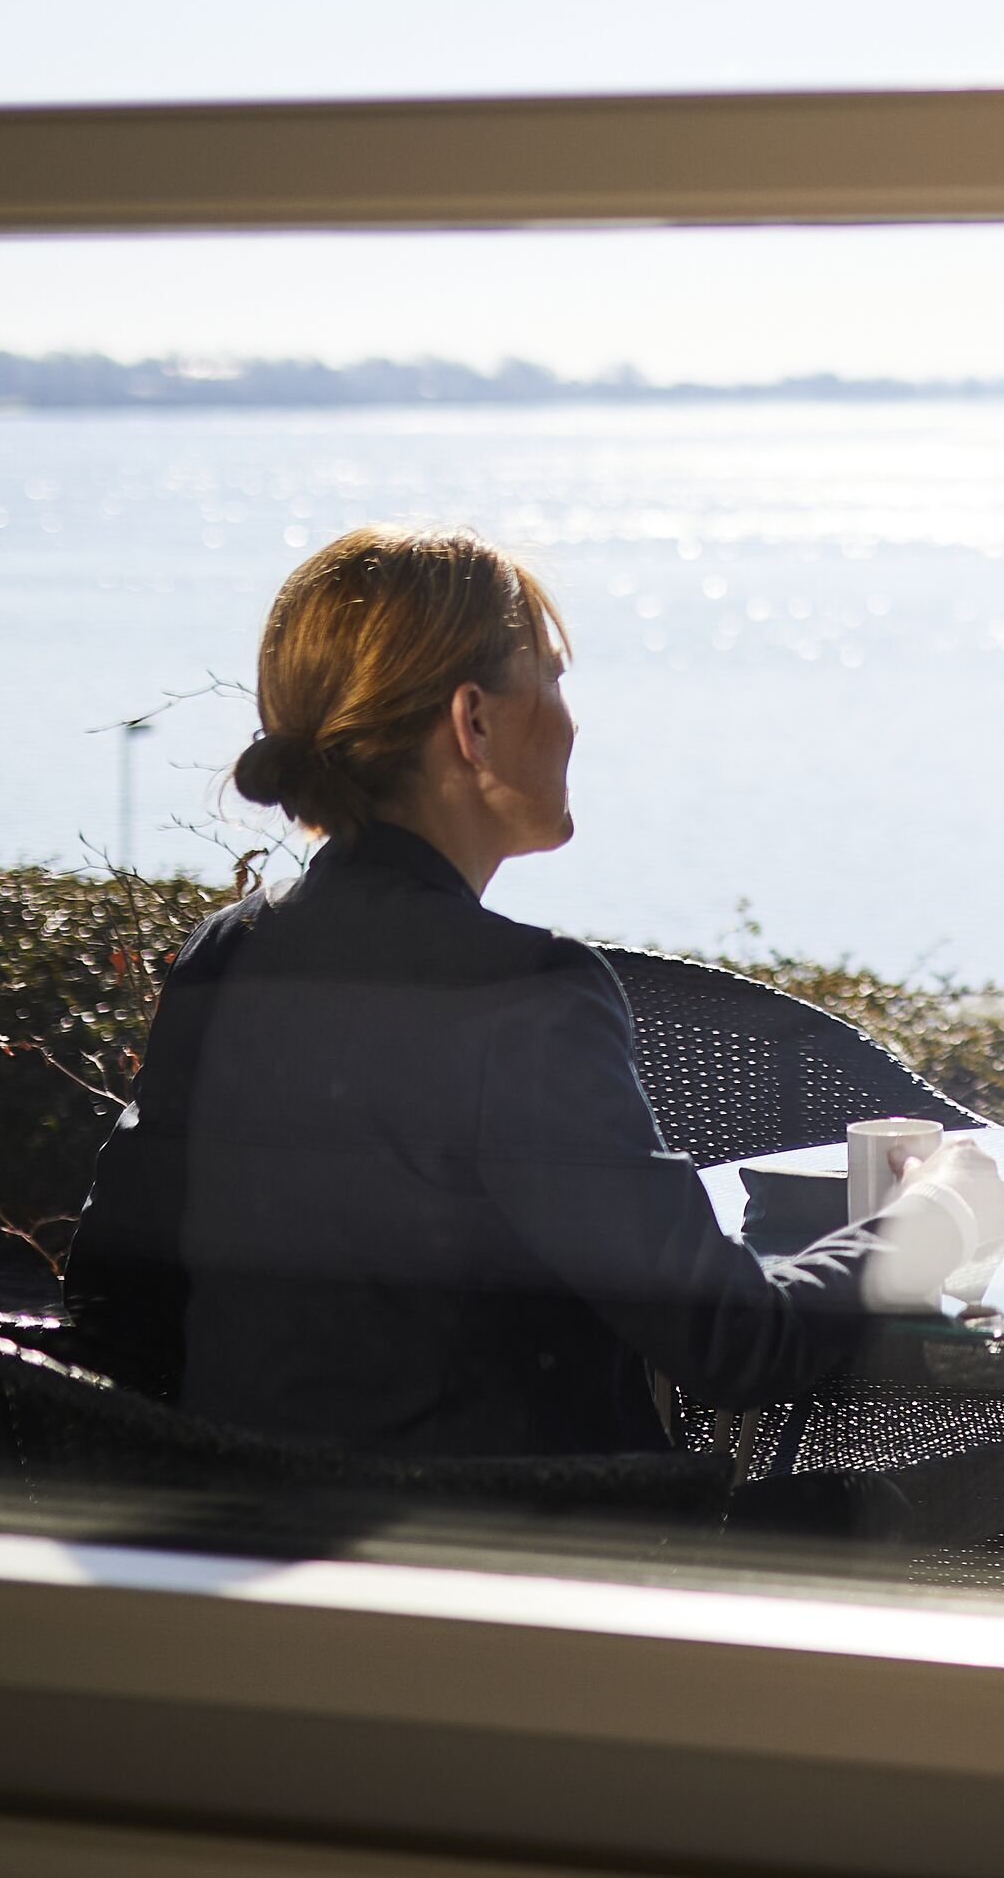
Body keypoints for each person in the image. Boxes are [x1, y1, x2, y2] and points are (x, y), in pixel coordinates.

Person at [64, 527, 867, 1460]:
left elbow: (113, 1296)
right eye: (554, 680)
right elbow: (737, 1343)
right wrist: (912, 1237)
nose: (571, 719)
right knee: (862, 1518)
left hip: (250, 1558)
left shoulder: (227, 955)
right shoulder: (524, 1001)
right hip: (508, 1574)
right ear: (473, 722)